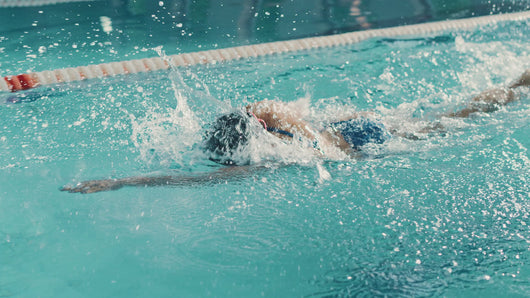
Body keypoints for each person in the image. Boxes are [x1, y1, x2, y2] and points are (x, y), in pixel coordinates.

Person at [61, 69, 529, 193]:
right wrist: (121, 180)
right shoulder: (267, 118)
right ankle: (512, 86)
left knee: (460, 119)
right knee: (451, 114)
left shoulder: (262, 155)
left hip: (362, 143)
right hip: (349, 127)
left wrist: (121, 181)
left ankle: (515, 88)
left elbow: (194, 179)